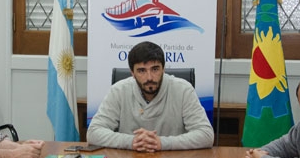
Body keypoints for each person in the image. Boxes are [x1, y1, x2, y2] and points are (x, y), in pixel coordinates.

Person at [86, 41, 214, 151]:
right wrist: (133, 142)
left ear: (163, 69)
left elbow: (206, 135)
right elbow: (93, 133)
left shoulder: (183, 90)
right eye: (142, 71)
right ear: (132, 73)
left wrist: (162, 143)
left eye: (155, 69)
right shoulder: (118, 91)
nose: (149, 77)